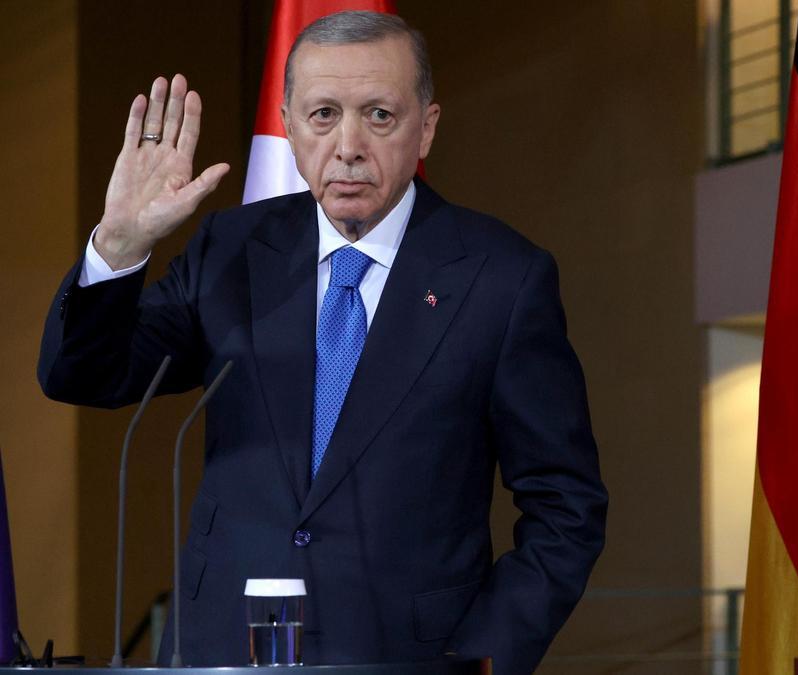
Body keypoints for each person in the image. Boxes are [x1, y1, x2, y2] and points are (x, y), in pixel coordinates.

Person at [38, 11, 606, 675]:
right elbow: (85, 375)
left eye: (380, 116)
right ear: (288, 122)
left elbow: (566, 507)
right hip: (220, 653)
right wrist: (119, 245)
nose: (348, 146)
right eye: (323, 114)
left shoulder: (502, 279)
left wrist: (479, 658)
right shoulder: (231, 251)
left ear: (426, 126)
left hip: (406, 659)